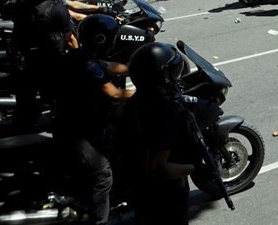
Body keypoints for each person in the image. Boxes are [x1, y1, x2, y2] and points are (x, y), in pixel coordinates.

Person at [53, 15, 134, 225]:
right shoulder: (88, 65)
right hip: (74, 131)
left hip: (81, 121)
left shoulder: (81, 55)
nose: (114, 41)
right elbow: (114, 93)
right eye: (112, 37)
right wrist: (148, 90)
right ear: (101, 39)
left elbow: (110, 66)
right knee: (102, 173)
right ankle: (100, 221)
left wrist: (141, 68)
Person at [125, 43, 195, 225]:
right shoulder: (164, 111)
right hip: (165, 193)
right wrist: (195, 167)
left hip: (139, 184)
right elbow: (158, 168)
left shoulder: (138, 99)